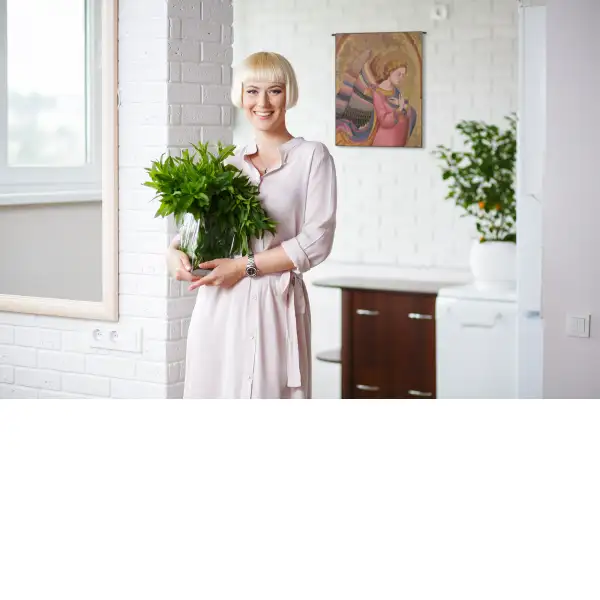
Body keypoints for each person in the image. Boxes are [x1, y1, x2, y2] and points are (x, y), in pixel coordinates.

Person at [166, 51, 337, 399]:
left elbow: (317, 239)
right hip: (219, 304)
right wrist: (173, 253)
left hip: (274, 302)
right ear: (241, 95)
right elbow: (196, 232)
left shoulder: (312, 157)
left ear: (288, 94)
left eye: (274, 90)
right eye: (252, 91)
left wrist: (243, 266)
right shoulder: (227, 162)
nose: (263, 103)